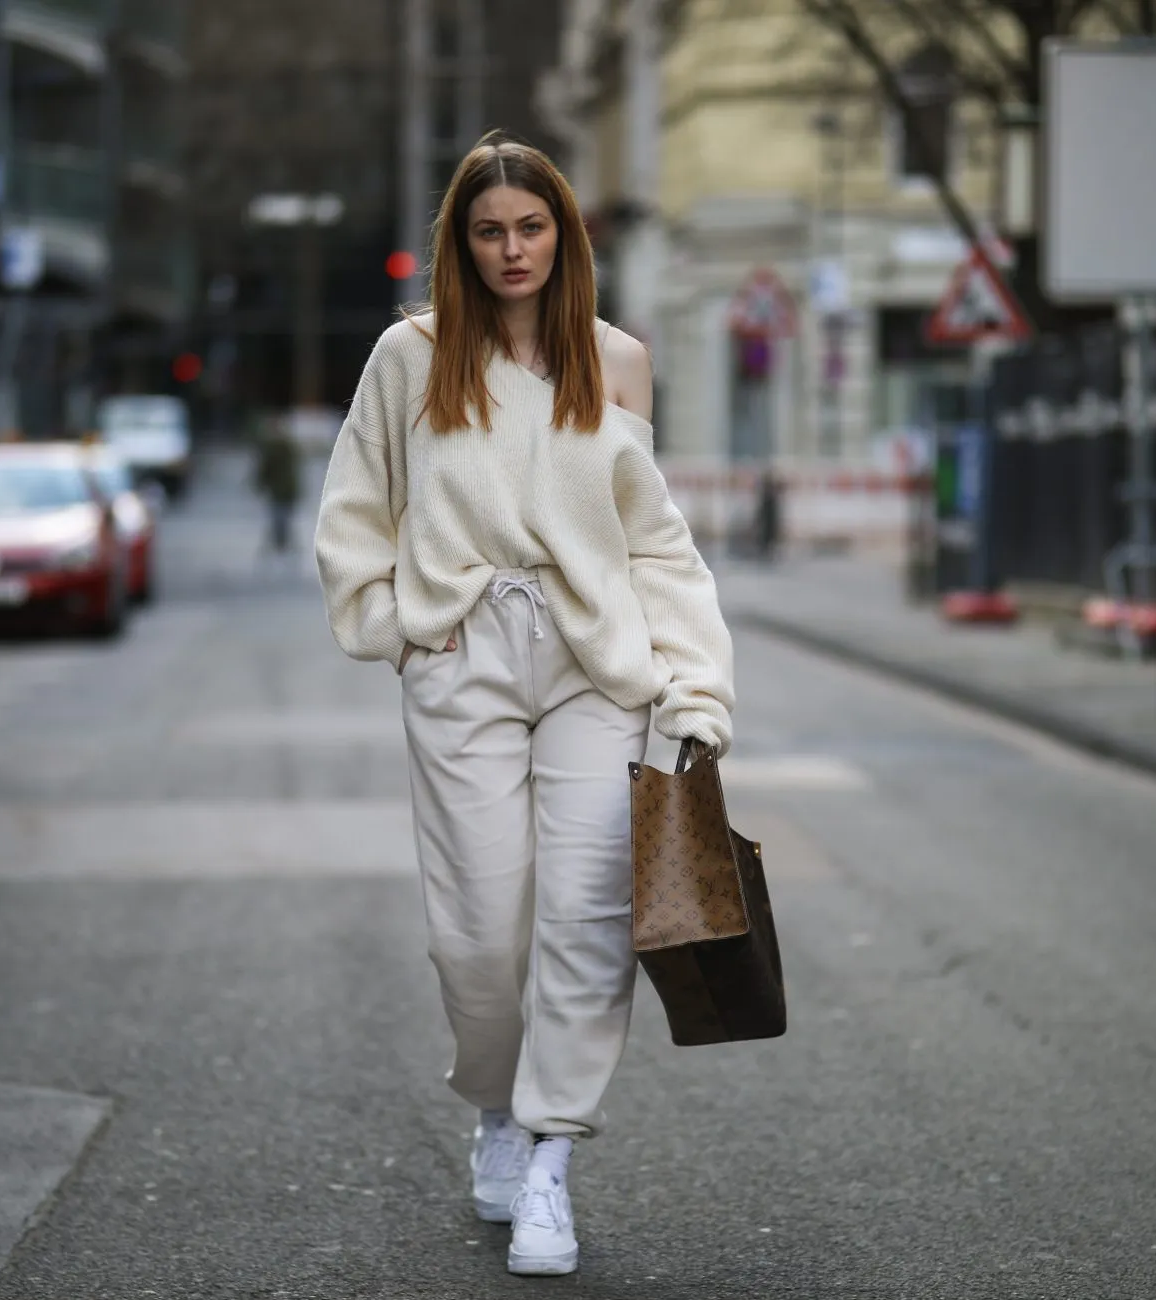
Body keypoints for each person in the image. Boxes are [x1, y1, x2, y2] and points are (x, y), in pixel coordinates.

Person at [314, 132, 734, 1278]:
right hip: (462, 655)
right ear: (462, 241)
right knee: (479, 932)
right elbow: (355, 506)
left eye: (531, 228)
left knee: (589, 916)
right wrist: (395, 626)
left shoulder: (619, 362)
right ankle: (497, 1106)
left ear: (564, 235)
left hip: (596, 661)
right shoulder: (410, 357)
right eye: (490, 230)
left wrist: (693, 686)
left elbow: (656, 544)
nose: (512, 250)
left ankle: (550, 1156)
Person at [254, 425, 301, 553]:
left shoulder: (271, 449)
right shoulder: (289, 447)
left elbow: (265, 470)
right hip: (288, 489)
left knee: (278, 515)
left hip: (279, 489)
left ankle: (280, 541)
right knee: (283, 516)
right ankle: (282, 541)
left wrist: (259, 484)